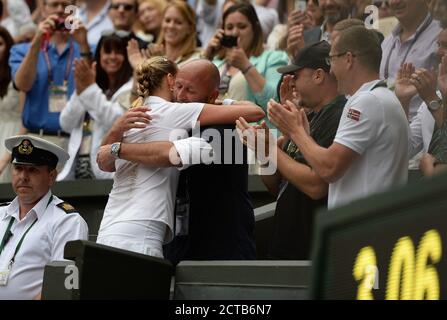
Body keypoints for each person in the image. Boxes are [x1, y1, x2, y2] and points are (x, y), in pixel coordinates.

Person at [95, 56, 264, 258]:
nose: (181, 96)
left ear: (211, 97)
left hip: (222, 253)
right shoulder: (167, 119)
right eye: (178, 86)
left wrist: (118, 148)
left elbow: (169, 154)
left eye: (190, 90)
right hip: (176, 249)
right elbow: (103, 161)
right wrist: (116, 131)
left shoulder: (223, 129)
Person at [268, 26, 409, 209]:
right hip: (371, 223)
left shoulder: (368, 101)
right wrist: (300, 134)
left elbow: (329, 169)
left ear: (348, 59)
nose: (331, 70)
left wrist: (294, 132)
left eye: (332, 59)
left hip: (364, 227)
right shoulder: (380, 98)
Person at [236, 41, 346, 259]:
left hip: (311, 245)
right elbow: (275, 185)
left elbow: (316, 186)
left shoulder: (339, 115)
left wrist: (270, 149)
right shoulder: (309, 116)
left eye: (296, 76)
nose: (290, 83)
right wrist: (265, 150)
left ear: (318, 75)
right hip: (287, 238)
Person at [0, 135, 88, 300]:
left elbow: (63, 288)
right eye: (18, 168)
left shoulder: (67, 221)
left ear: (51, 177)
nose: (23, 176)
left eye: (32, 170)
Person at [9, 0, 92, 151]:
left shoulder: (88, 47)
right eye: (54, 4)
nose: (60, 10)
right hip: (35, 139)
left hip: (75, 142)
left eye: (66, 5)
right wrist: (37, 42)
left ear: (74, 10)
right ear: (42, 8)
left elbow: (90, 90)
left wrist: (84, 44)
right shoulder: (21, 50)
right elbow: (23, 85)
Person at [58, 33, 133, 181]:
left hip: (108, 173)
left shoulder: (131, 88)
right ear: (99, 57)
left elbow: (116, 121)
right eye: (107, 52)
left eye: (118, 52)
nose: (112, 56)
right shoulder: (90, 84)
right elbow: (65, 123)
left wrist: (89, 89)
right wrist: (81, 91)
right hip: (77, 172)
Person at [202, 3, 288, 127]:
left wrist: (246, 67)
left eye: (242, 27)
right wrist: (206, 56)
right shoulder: (216, 61)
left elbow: (275, 103)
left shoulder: (273, 58)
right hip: (214, 132)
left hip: (253, 136)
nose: (235, 33)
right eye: (229, 27)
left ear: (255, 28)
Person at [380, 0, 442, 119]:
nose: (395, 2)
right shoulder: (387, 41)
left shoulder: (441, 37)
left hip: (426, 131)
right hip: (385, 126)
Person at [0, 26, 24, 183]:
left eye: (0, 44)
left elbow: (25, 120)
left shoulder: (17, 75)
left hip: (13, 137)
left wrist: (7, 157)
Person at [149, 0, 201, 66]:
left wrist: (161, 64)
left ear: (190, 28)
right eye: (167, 21)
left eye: (178, 22)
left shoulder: (197, 60)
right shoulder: (152, 57)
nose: (171, 26)